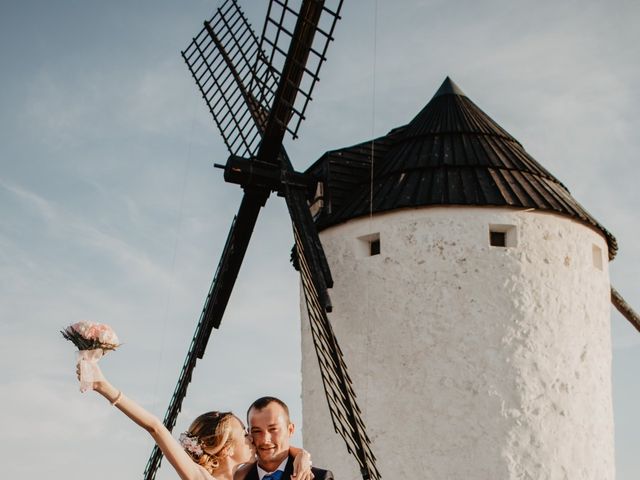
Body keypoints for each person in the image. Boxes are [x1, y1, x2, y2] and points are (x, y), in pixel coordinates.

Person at [76, 365, 313, 480]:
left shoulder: (244, 476)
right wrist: (103, 386)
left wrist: (301, 454)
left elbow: (274, 455)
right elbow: (155, 427)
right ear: (228, 448)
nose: (254, 439)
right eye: (246, 434)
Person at [237, 396, 333, 480]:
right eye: (257, 431)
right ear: (249, 433)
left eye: (273, 429)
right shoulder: (237, 478)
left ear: (290, 430)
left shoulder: (319, 478)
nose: (265, 440)